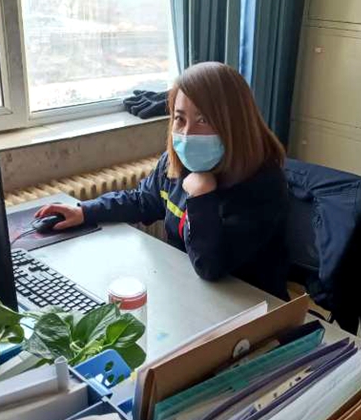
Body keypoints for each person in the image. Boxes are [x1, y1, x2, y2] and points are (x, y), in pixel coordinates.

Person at [35, 62, 289, 299]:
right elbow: (142, 201)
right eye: (180, 119)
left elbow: (211, 266)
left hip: (252, 304)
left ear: (234, 124)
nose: (187, 134)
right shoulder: (175, 163)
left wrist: (202, 196)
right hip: (189, 290)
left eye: (203, 120)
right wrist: (85, 211)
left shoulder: (263, 184)